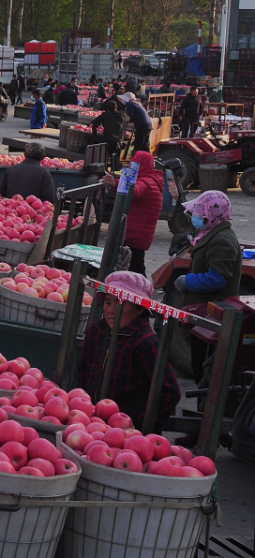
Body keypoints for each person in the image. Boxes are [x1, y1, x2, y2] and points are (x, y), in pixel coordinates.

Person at [77, 271, 181, 429]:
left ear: (139, 309)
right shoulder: (96, 331)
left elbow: (169, 391)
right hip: (90, 422)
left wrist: (137, 424)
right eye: (108, 302)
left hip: (125, 432)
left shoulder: (145, 343)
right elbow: (82, 371)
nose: (111, 310)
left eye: (120, 303)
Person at [174, 191, 243, 381]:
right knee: (199, 365)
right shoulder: (212, 233)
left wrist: (187, 281)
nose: (196, 217)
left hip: (212, 316)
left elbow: (217, 279)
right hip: (204, 315)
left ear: (213, 214)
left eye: (200, 214)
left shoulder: (222, 240)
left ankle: (206, 408)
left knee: (205, 370)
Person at [102, 151, 163, 276]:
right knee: (135, 266)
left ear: (141, 165)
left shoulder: (146, 182)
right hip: (139, 235)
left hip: (135, 236)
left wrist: (116, 183)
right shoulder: (153, 179)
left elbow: (134, 191)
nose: (130, 166)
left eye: (134, 163)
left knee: (135, 269)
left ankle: (142, 292)